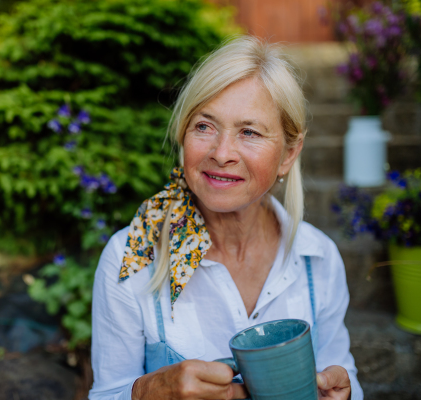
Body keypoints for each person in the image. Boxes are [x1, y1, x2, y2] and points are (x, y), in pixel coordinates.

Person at [89, 36, 363, 400]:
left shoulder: (318, 259)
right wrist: (146, 392)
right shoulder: (131, 257)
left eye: (249, 132)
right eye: (204, 126)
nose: (221, 153)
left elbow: (344, 378)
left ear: (288, 154)